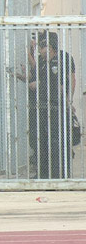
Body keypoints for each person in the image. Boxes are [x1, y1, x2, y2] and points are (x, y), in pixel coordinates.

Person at [24, 32, 76, 179]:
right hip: (41, 108)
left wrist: (69, 100)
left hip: (57, 107)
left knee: (58, 142)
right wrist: (28, 54)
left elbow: (70, 81)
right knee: (41, 142)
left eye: (41, 46)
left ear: (50, 47)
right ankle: (43, 175)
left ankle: (61, 175)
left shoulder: (64, 58)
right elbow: (36, 73)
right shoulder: (42, 61)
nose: (40, 50)